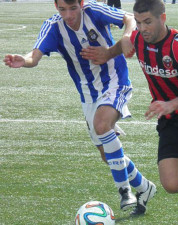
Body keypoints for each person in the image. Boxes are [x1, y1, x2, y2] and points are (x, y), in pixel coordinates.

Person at [80, 0, 178, 223]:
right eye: (138, 22)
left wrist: (171, 104)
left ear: (162, 18)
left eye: (147, 22)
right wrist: (108, 53)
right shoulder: (138, 38)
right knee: (173, 185)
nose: (142, 28)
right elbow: (125, 43)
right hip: (169, 118)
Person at [3, 0, 156, 215]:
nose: (68, 15)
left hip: (115, 81)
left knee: (102, 126)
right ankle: (144, 187)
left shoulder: (94, 11)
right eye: (62, 9)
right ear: (56, 7)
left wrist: (126, 36)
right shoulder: (54, 27)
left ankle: (125, 191)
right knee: (107, 156)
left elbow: (128, 18)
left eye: (73, 8)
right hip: (88, 95)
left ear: (81, 4)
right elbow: (34, 56)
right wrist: (24, 60)